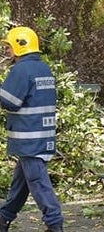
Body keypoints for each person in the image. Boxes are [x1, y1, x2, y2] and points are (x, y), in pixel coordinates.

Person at [0, 27, 64, 232]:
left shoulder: (21, 70)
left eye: (9, 47)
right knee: (21, 183)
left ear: (20, 46)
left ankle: (55, 224)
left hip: (28, 138)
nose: (7, 51)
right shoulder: (43, 69)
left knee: (38, 183)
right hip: (42, 136)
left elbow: (10, 102)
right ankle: (3, 217)